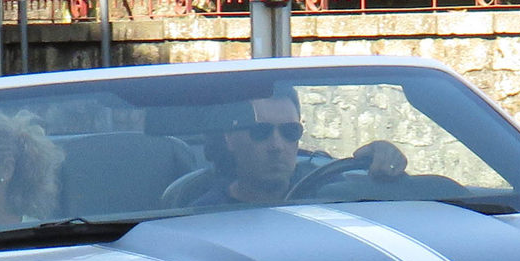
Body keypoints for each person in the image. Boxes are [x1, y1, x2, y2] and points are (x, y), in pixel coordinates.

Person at [162, 89, 405, 207]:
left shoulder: (327, 191)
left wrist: (383, 159)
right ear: (230, 139)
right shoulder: (205, 213)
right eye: (261, 132)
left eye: (290, 132)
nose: (277, 145)